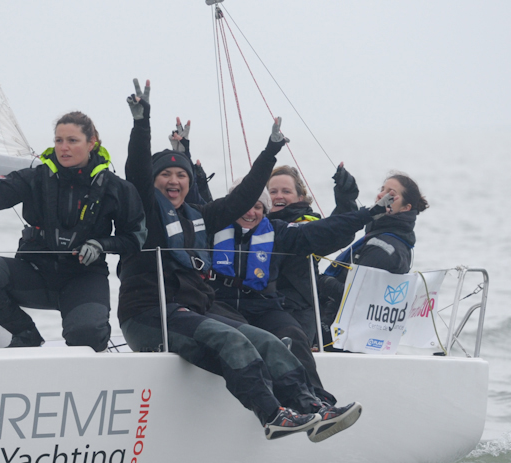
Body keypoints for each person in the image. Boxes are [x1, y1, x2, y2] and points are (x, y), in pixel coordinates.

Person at [118, 78, 361, 442]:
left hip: (190, 313)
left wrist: (270, 151)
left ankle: (313, 408)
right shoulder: (144, 211)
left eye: (181, 174)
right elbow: (137, 171)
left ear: (189, 182)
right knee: (233, 339)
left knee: (268, 340)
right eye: (165, 174)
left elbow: (244, 196)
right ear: (153, 181)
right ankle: (272, 415)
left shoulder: (200, 216)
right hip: (149, 316)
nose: (174, 180)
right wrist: (142, 123)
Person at [0, 111, 147, 351]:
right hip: (35, 273)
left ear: (91, 143)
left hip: (83, 277)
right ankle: (25, 334)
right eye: (59, 140)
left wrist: (102, 245)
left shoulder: (116, 188)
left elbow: (135, 238)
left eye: (72, 140)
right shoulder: (36, 178)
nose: (64, 147)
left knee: (88, 335)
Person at [208, 183, 388, 404]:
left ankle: (317, 402)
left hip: (262, 305)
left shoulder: (278, 231)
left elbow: (326, 228)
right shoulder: (211, 226)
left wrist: (368, 213)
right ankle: (276, 405)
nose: (250, 212)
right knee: (250, 335)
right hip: (220, 304)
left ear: (265, 210)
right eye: (244, 205)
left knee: (294, 334)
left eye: (257, 207)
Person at [318, 173, 429, 334]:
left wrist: (321, 280)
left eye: (391, 193)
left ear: (406, 208)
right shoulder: (391, 238)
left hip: (340, 332)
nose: (381, 195)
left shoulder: (383, 247)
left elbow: (356, 296)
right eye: (382, 189)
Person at [266, 164, 359, 345]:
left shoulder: (309, 227)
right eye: (273, 191)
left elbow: (339, 231)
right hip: (261, 308)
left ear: (300, 197)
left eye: (286, 191)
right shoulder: (253, 224)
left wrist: (345, 197)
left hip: (299, 312)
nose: (279, 196)